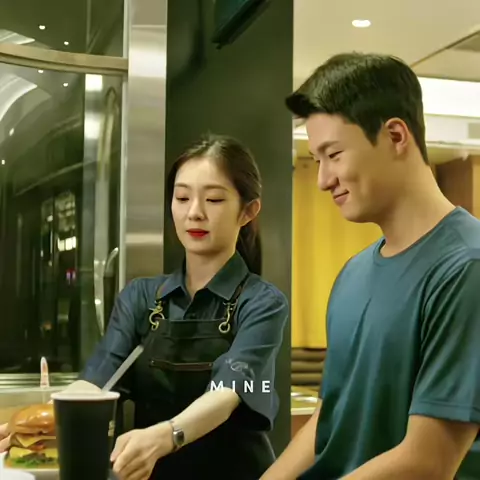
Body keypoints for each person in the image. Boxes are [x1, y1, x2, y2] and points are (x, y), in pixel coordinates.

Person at [0, 134, 289, 480]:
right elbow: (97, 381)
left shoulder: (262, 302)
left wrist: (168, 435)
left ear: (248, 211)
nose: (194, 212)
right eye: (182, 197)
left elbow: (228, 392)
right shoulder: (140, 297)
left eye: (213, 199)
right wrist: (40, 421)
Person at [261, 52, 480, 480]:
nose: (323, 179)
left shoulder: (465, 268)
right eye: (317, 160)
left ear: (395, 136)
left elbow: (428, 461)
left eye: (334, 154)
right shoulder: (353, 274)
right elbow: (330, 418)